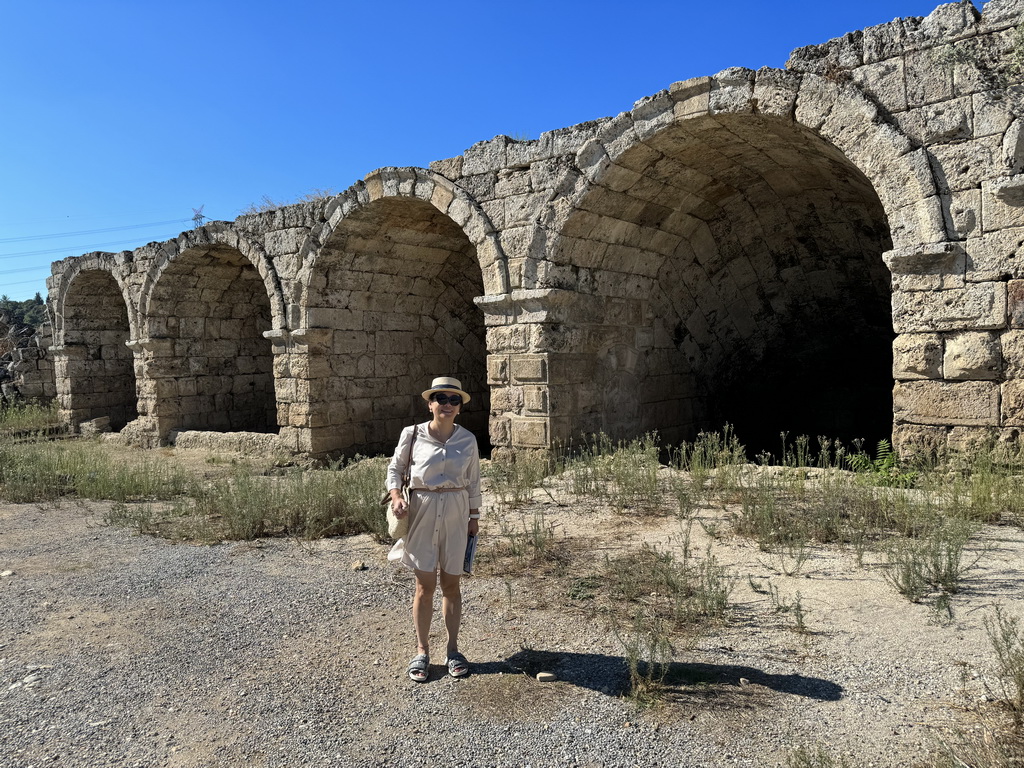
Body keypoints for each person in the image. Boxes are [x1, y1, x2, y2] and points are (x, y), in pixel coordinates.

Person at [387, 376, 481, 682]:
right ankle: (422, 650)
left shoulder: (467, 440)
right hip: (423, 510)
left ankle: (453, 650)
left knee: (452, 586)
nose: (448, 405)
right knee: (424, 587)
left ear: (460, 408)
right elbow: (395, 470)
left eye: (455, 400)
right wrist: (397, 495)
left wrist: (474, 517)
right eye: (442, 398)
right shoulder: (411, 434)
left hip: (456, 510)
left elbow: (474, 481)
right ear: (430, 404)